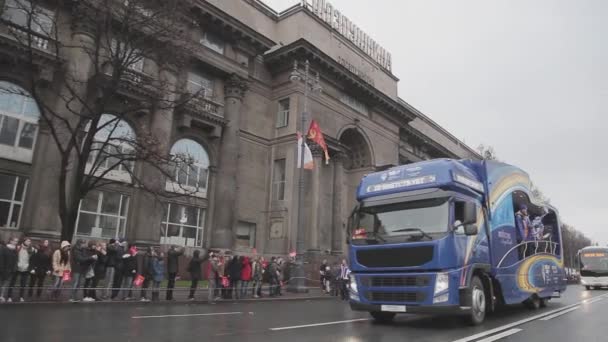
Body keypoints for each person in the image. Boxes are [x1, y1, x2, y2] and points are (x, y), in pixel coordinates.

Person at [8, 237, 35, 302]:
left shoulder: (32, 249)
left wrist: (30, 267)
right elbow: (11, 249)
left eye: (29, 241)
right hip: (17, 267)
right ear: (24, 241)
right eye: (27, 241)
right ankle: (9, 296)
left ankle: (21, 297)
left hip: (26, 268)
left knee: (23, 284)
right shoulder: (18, 247)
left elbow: (32, 260)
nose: (29, 242)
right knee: (12, 283)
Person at [0, 237, 19, 302]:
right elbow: (1, 259)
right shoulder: (4, 248)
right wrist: (1, 269)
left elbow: (16, 260)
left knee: (5, 284)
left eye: (17, 241)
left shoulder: (15, 250)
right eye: (14, 241)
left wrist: (14, 268)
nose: (15, 242)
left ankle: (1, 296)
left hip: (10, 271)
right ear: (10, 241)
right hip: (2, 270)